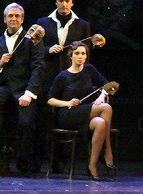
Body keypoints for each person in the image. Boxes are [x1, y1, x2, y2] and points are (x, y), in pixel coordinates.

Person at [31, 0, 97, 172]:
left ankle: (60, 163)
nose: (64, 4)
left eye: (67, 1)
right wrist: (47, 49)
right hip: (48, 78)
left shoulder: (82, 25)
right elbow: (33, 48)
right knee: (43, 122)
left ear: (72, 3)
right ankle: (36, 162)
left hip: (71, 81)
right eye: (61, 1)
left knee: (65, 120)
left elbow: (85, 56)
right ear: (56, 2)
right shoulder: (43, 22)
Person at [0, 2, 44, 176]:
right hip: (3, 87)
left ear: (22, 19)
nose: (13, 19)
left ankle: (23, 163)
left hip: (23, 88)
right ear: (4, 19)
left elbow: (38, 68)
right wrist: (0, 63)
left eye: (17, 16)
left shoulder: (32, 39)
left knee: (26, 123)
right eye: (10, 16)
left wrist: (29, 94)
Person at [47, 42, 116, 180]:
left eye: (83, 53)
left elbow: (109, 85)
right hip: (68, 114)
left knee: (100, 123)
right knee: (106, 108)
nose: (80, 56)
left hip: (86, 113)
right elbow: (50, 100)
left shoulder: (90, 69)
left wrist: (102, 95)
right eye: (77, 53)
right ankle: (107, 150)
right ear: (70, 56)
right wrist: (67, 102)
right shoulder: (63, 76)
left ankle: (92, 165)